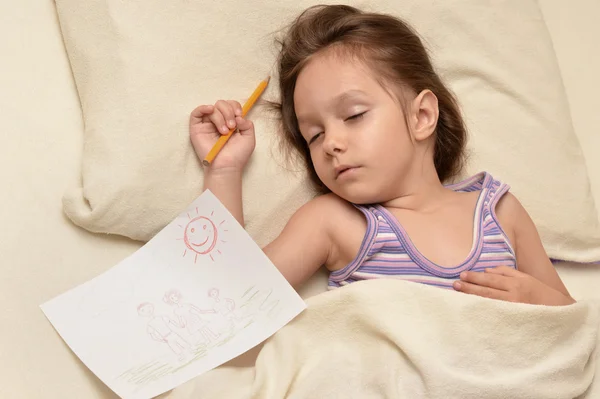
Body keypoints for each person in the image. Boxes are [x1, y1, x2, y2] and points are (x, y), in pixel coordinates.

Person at [188, 5, 575, 306]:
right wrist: (223, 170)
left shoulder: (499, 212)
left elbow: (571, 323)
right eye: (314, 134)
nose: (330, 144)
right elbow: (230, 296)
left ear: (422, 115)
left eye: (354, 115)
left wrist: (539, 301)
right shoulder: (335, 221)